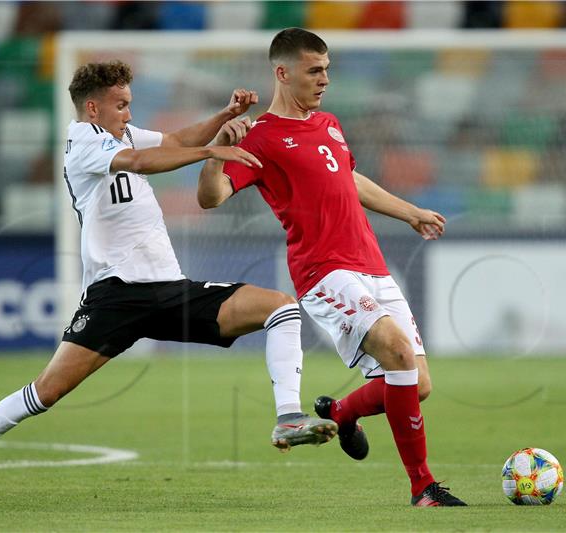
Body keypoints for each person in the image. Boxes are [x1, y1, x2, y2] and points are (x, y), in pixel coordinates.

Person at [0, 60, 337, 504]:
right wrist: (211, 153)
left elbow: (170, 141)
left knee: (280, 306)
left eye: (129, 104)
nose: (129, 114)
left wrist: (222, 118)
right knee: (45, 392)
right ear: (93, 108)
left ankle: (288, 416)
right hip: (116, 296)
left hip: (169, 290)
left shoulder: (121, 133)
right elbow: (142, 161)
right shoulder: (82, 144)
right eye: (121, 105)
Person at [197, 29, 467, 507]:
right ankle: (423, 487)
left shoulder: (329, 123)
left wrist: (411, 212)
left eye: (327, 69)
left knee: (417, 384)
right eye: (314, 70)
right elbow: (211, 197)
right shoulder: (259, 136)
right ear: (283, 72)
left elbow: (347, 177)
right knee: (399, 355)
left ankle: (340, 412)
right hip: (324, 271)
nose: (325, 79)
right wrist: (216, 150)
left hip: (372, 265)